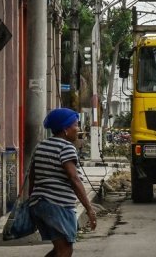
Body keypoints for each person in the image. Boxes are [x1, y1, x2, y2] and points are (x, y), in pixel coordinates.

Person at [29, 108, 97, 257]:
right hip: (57, 205)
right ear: (66, 129)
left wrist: (31, 200)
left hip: (39, 203)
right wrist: (89, 208)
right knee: (65, 250)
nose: (78, 129)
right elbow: (74, 179)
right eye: (76, 125)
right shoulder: (66, 148)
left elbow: (32, 177)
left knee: (59, 249)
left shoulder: (40, 146)